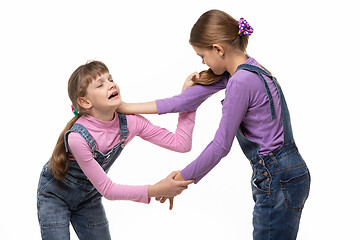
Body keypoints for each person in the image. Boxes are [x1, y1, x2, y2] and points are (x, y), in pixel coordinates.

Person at [117, 9, 310, 240]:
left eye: (202, 56)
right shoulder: (247, 70)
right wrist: (124, 107)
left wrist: (179, 180)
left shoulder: (240, 81)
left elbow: (220, 146)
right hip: (288, 173)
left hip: (276, 177)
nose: (202, 62)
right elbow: (181, 102)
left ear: (218, 49)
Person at [37, 60, 195, 240]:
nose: (111, 84)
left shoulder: (130, 123)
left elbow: (181, 143)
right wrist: (156, 190)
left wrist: (189, 100)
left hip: (88, 198)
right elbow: (108, 190)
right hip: (55, 197)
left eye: (110, 79)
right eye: (100, 84)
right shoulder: (77, 138)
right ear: (85, 102)